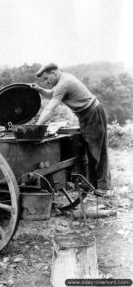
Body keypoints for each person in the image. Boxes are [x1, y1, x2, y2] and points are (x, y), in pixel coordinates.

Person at [31, 63, 111, 195]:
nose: (46, 82)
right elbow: (52, 94)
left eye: (46, 78)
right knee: (90, 150)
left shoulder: (64, 83)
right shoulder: (62, 80)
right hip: (86, 115)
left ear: (54, 73)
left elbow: (50, 108)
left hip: (93, 113)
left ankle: (104, 187)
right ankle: (92, 184)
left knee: (98, 151)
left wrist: (37, 126)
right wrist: (39, 89)